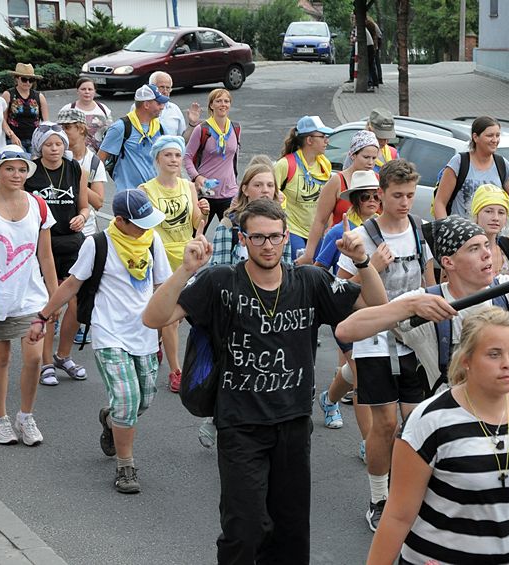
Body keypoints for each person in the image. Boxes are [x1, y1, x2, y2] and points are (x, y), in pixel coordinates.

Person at [142, 198, 387, 564]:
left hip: (292, 424)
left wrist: (363, 263)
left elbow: (377, 310)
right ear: (243, 239)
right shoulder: (219, 281)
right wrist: (184, 270)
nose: (268, 245)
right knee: (245, 528)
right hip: (239, 425)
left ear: (287, 237)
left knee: (290, 533)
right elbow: (154, 317)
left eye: (274, 237)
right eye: (258, 238)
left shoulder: (310, 281)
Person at [366, 307, 509, 564]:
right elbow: (398, 516)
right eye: (494, 354)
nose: (507, 363)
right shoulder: (430, 420)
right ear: (466, 360)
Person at [336, 212, 509, 396]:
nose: (487, 255)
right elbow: (346, 331)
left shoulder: (508, 288)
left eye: (485, 245)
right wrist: (408, 306)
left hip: (505, 416)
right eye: (474, 248)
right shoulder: (424, 301)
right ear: (448, 262)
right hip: (449, 423)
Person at [28, 189, 170, 493]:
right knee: (128, 401)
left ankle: (110, 418)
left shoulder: (152, 241)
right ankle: (125, 467)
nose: (147, 227)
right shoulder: (98, 244)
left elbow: (161, 285)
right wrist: (43, 316)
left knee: (142, 401)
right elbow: (72, 284)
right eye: (140, 222)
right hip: (109, 334)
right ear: (120, 220)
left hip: (143, 333)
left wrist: (169, 320)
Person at [335, 161, 436, 531]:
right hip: (375, 339)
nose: (405, 202)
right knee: (385, 422)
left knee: (416, 419)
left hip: (416, 338)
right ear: (380, 194)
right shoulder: (362, 236)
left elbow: (429, 281)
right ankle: (379, 497)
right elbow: (343, 297)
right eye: (397, 195)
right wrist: (371, 267)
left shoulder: (420, 230)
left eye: (411, 195)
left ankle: (409, 488)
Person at [199, 162, 289, 449]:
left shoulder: (281, 222)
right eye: (259, 184)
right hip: (238, 310)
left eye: (270, 185)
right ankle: (218, 418)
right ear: (246, 189)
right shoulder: (230, 226)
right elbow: (219, 272)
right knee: (233, 369)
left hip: (272, 309)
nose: (265, 190)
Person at [0, 145, 57, 446]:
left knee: (33, 359)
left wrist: (54, 297)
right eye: (9, 169)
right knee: (0, 358)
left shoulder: (39, 206)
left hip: (30, 296)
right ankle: (0, 419)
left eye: (21, 169)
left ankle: (25, 416)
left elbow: (46, 257)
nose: (16, 175)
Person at [314, 170, 382, 450]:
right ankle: (369, 443)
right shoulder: (338, 232)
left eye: (376, 196)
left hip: (377, 313)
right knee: (362, 374)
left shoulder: (386, 230)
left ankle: (329, 399)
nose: (371, 201)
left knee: (356, 373)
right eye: (364, 197)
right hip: (346, 315)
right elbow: (328, 281)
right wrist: (371, 265)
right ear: (354, 200)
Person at [140, 135, 208, 394]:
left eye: (177, 155)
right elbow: (142, 229)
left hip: (187, 256)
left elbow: (195, 222)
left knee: (176, 318)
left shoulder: (188, 185)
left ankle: (156, 343)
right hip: (160, 258)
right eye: (168, 155)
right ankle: (175, 371)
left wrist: (203, 209)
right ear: (157, 158)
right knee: (170, 318)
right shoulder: (145, 190)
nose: (173, 160)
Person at [25, 123, 89, 386]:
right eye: (49, 144)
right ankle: (45, 364)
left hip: (73, 243)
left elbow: (84, 206)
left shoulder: (75, 169)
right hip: (44, 246)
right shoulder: (30, 172)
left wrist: (82, 218)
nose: (55, 149)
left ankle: (63, 356)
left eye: (59, 144)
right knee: (50, 305)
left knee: (76, 304)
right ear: (40, 147)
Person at [57, 108, 108, 345]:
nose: (63, 134)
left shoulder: (92, 160)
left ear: (80, 128)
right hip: (58, 231)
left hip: (84, 232)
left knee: (80, 284)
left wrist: (76, 177)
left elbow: (98, 201)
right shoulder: (54, 155)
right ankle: (55, 317)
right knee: (56, 281)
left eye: (67, 128)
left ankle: (76, 324)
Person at [299, 130, 379, 265]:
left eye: (374, 158)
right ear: (353, 155)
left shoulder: (376, 180)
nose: (370, 162)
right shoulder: (337, 181)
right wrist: (308, 254)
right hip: (339, 244)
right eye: (366, 157)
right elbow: (320, 220)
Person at [274, 115, 334, 262]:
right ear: (309, 140)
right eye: (323, 136)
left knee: (315, 273)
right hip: (293, 229)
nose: (327, 140)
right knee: (298, 269)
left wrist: (329, 225)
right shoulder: (285, 165)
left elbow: (329, 199)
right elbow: (270, 194)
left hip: (316, 231)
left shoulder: (325, 165)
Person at [184, 88, 239, 235]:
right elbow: (187, 157)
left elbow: (233, 158)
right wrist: (197, 177)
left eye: (226, 101)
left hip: (229, 193)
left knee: (233, 237)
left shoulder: (236, 128)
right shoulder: (202, 129)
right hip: (205, 193)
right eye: (218, 101)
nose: (223, 104)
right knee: (196, 235)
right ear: (211, 105)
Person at [98, 84, 166, 191]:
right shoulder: (121, 127)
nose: (162, 106)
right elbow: (99, 159)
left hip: (155, 194)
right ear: (146, 104)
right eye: (158, 103)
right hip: (128, 194)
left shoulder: (159, 128)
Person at [2, 63, 49, 154]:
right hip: (14, 139)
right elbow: (2, 120)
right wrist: (12, 136)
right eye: (24, 79)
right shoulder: (8, 95)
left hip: (34, 140)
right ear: (16, 78)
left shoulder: (39, 96)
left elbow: (46, 122)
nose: (27, 83)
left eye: (31, 80)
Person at [59, 78, 112, 152]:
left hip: (100, 153)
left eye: (90, 89)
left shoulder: (103, 109)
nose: (87, 92)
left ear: (95, 91)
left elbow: (110, 132)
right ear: (77, 91)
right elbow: (59, 132)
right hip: (74, 153)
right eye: (83, 89)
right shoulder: (68, 109)